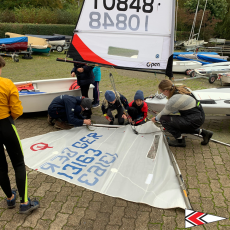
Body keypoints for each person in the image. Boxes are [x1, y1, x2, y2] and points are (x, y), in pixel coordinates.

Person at [0, 56, 40, 214]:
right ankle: (24, 203)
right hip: (5, 124)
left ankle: (10, 198)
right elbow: (17, 110)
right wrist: (10, 119)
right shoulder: (6, 83)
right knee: (18, 164)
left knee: (0, 167)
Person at [151, 79, 213, 147]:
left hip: (194, 119)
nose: (162, 94)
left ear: (166, 90)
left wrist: (155, 119)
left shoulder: (174, 99)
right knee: (175, 122)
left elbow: (163, 113)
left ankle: (179, 140)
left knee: (163, 119)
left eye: (161, 92)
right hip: (199, 115)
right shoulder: (181, 89)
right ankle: (205, 133)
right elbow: (180, 106)